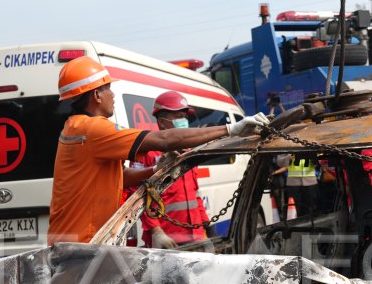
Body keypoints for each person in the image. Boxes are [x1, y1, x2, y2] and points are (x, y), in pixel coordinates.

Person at [48, 57, 267, 244]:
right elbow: (163, 139)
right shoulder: (93, 128)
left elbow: (117, 178)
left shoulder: (78, 128)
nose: (112, 95)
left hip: (80, 241)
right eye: (108, 88)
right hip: (82, 245)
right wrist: (230, 129)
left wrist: (154, 169)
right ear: (96, 95)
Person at [126, 91, 212, 248]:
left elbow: (195, 193)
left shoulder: (189, 150)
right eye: (177, 116)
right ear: (162, 122)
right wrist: (156, 232)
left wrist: (205, 226)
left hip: (195, 236)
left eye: (184, 116)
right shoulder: (147, 153)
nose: (183, 121)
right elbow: (137, 196)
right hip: (167, 241)